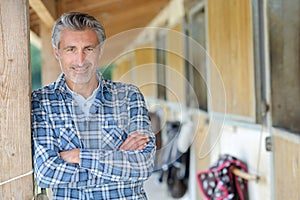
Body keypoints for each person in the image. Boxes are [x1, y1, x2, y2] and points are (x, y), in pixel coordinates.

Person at [31, 12, 156, 199]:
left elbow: (143, 165)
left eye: (88, 49)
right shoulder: (42, 102)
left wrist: (78, 156)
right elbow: (46, 172)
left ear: (100, 50)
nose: (80, 61)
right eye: (71, 49)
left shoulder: (129, 96)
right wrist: (116, 158)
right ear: (57, 52)